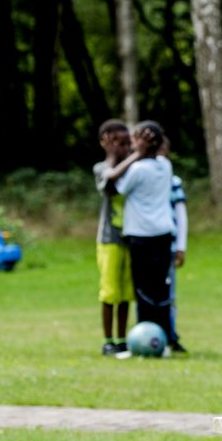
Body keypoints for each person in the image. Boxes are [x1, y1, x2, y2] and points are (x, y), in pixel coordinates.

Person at [101, 120, 178, 353]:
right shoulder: (165, 165)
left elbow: (111, 182)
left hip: (141, 236)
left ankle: (146, 342)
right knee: (161, 292)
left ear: (143, 143)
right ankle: (165, 340)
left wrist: (135, 155)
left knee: (143, 293)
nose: (131, 145)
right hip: (164, 234)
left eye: (134, 140)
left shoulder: (137, 169)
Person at [90, 119, 132, 356]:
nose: (124, 148)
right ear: (105, 143)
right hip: (109, 240)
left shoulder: (133, 169)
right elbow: (109, 186)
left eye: (127, 143)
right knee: (110, 292)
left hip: (130, 239)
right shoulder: (100, 168)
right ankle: (108, 339)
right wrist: (112, 157)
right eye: (118, 143)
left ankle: (123, 339)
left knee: (126, 293)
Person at [165, 167, 189, 353]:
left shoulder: (173, 181)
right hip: (142, 243)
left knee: (169, 295)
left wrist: (180, 246)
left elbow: (181, 215)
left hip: (168, 245)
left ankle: (170, 335)